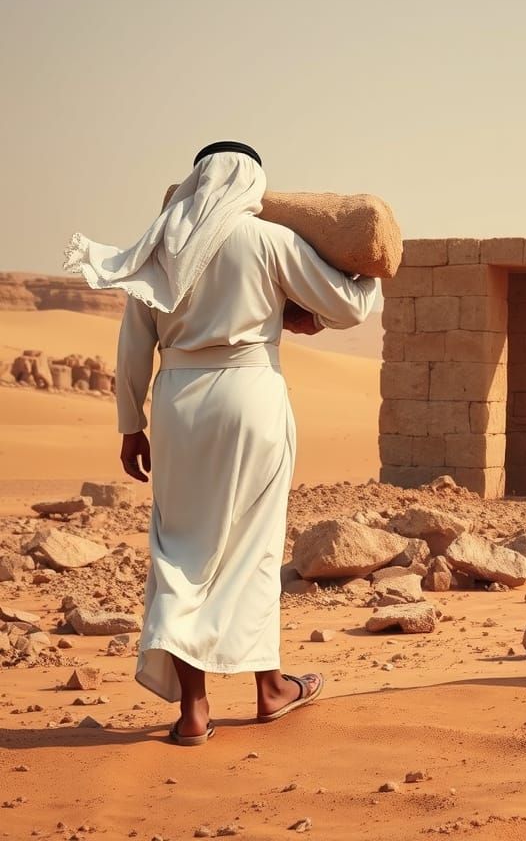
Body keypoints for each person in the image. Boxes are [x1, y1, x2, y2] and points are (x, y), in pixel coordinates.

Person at [64, 142, 380, 743]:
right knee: (256, 548)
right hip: (251, 397)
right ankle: (269, 690)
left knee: (181, 550)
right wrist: (368, 274)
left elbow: (134, 344)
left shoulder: (159, 244)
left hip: (178, 402)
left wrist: (131, 423)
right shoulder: (265, 239)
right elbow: (344, 306)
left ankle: (194, 710)